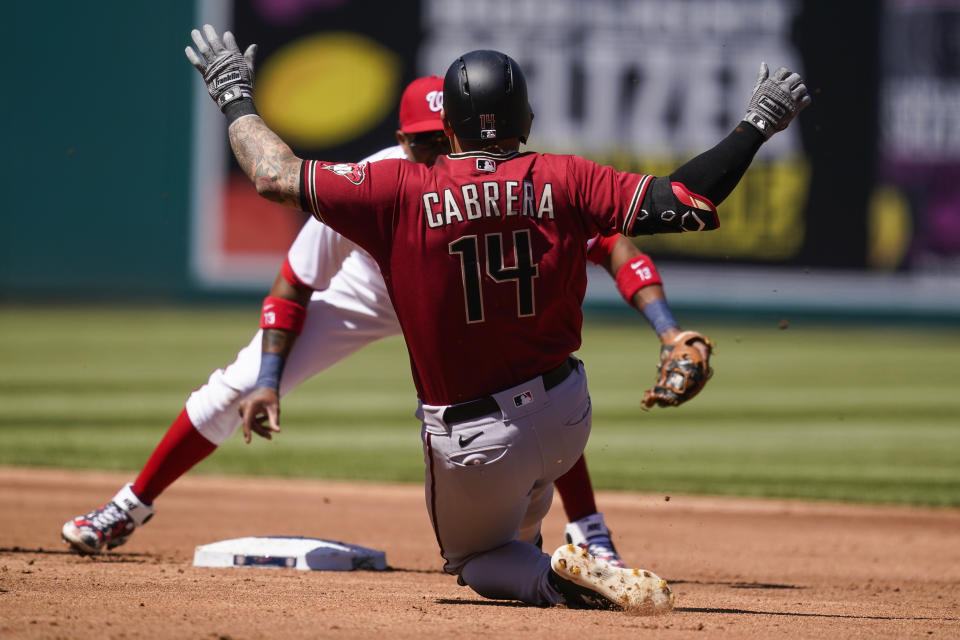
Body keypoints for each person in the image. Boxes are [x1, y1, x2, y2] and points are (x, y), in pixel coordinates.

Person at [182, 27, 808, 612]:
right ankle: (555, 550)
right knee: (521, 520)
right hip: (567, 416)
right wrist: (757, 124)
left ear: (447, 127)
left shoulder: (396, 189)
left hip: (476, 440)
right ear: (527, 120)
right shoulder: (567, 179)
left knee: (475, 560)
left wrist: (235, 98)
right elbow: (685, 200)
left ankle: (556, 581)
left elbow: (272, 175)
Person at [60, 76, 696, 567]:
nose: (427, 147)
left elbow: (615, 244)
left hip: (465, 303)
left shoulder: (495, 180)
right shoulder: (378, 182)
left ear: (458, 132)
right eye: (416, 139)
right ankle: (128, 506)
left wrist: (669, 330)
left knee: (530, 388)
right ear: (404, 138)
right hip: (370, 298)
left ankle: (589, 533)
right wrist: (270, 377)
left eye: (436, 137)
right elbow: (296, 281)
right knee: (233, 384)